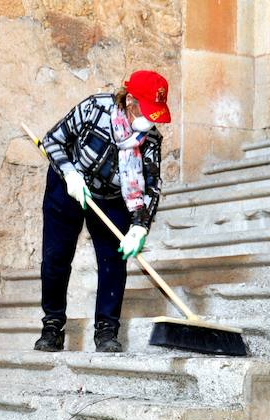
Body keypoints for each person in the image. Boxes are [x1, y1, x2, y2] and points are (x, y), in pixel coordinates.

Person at [34, 70, 170, 353]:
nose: (151, 121)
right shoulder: (94, 108)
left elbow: (152, 186)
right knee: (56, 257)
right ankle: (52, 327)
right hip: (69, 185)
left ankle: (107, 330)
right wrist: (70, 174)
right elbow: (52, 140)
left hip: (112, 197)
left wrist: (140, 226)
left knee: (113, 262)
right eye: (147, 112)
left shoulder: (151, 140)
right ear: (130, 101)